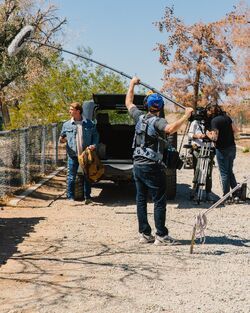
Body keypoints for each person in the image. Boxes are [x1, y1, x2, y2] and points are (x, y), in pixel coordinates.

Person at [125, 76, 193, 245]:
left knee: (141, 199)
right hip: (152, 166)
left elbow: (128, 102)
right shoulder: (159, 121)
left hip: (137, 164)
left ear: (147, 105)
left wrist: (132, 84)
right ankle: (161, 235)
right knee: (159, 200)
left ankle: (145, 234)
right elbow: (170, 129)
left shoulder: (139, 117)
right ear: (160, 107)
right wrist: (186, 116)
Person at [59, 102, 99, 204]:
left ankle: (88, 198)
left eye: (71, 109)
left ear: (78, 111)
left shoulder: (90, 123)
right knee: (71, 177)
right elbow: (62, 138)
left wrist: (94, 145)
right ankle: (70, 197)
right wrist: (62, 140)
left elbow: (96, 136)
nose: (69, 111)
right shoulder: (66, 124)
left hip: (86, 155)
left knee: (87, 176)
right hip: (73, 155)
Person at [206, 103, 239, 203]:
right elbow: (235, 130)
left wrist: (208, 133)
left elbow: (214, 137)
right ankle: (236, 194)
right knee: (229, 171)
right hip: (232, 147)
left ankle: (226, 196)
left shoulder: (214, 121)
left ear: (211, 111)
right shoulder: (227, 117)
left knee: (224, 173)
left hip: (222, 149)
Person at [188, 107, 215, 201]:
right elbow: (190, 134)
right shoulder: (194, 123)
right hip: (198, 149)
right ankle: (195, 191)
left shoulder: (210, 123)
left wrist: (209, 134)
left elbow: (214, 136)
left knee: (208, 173)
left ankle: (208, 193)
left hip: (209, 149)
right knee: (197, 170)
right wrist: (198, 136)